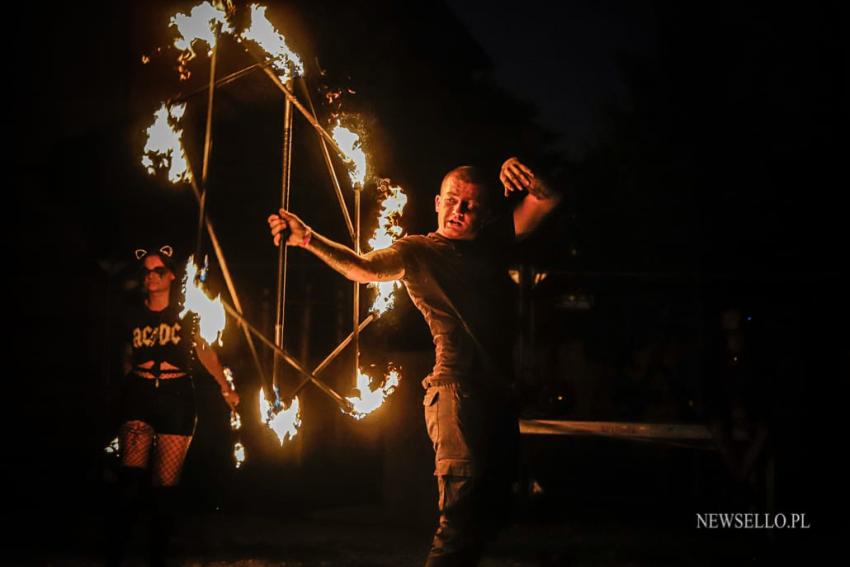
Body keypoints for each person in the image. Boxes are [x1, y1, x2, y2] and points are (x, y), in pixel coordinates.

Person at [268, 157, 560, 565]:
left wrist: (528, 172)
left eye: (471, 205)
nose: (459, 210)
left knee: (489, 516)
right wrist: (309, 238)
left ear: (486, 213)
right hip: (457, 393)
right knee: (459, 518)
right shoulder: (418, 251)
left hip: (497, 397)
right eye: (453, 200)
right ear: (437, 202)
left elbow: (548, 199)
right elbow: (363, 268)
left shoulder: (494, 243)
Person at [107, 246, 239, 566]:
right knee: (130, 480)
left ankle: (157, 558)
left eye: (159, 271)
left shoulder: (187, 314)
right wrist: (122, 389)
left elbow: (205, 351)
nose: (152, 277)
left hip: (176, 396)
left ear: (171, 276)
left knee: (164, 488)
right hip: (140, 393)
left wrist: (226, 388)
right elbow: (125, 355)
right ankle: (116, 555)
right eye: (147, 272)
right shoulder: (132, 312)